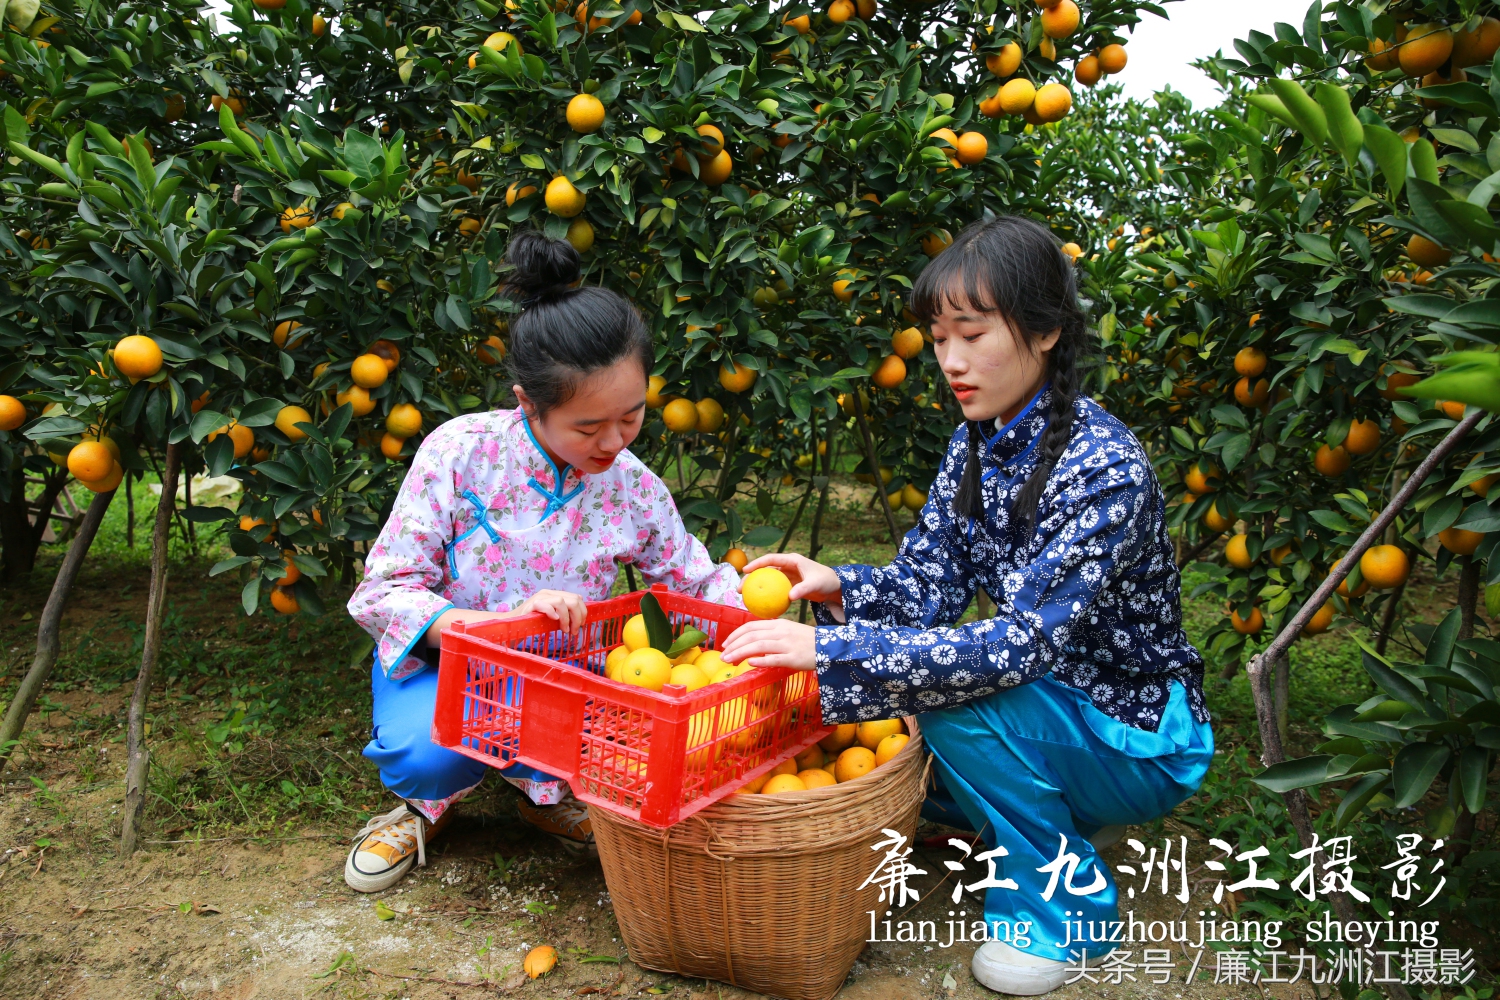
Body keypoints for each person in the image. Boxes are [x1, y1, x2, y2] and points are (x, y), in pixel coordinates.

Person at [720, 216, 1212, 997]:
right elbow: (927, 585)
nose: (948, 360)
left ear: (1046, 331)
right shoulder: (979, 441)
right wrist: (839, 586)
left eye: (971, 335)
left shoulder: (1102, 467)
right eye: (938, 337)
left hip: (1136, 727)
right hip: (1059, 710)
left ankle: (1065, 914)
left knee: (940, 700)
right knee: (911, 726)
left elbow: (1018, 647)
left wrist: (834, 654)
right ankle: (1064, 813)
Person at [344, 231, 741, 893]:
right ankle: (425, 808)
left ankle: (546, 795)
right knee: (427, 754)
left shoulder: (631, 483)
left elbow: (691, 577)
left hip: (569, 677)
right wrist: (491, 625)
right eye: (588, 428)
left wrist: (757, 615)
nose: (613, 442)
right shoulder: (459, 453)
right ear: (527, 401)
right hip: (451, 669)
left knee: (642, 745)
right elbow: (384, 589)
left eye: (632, 417)